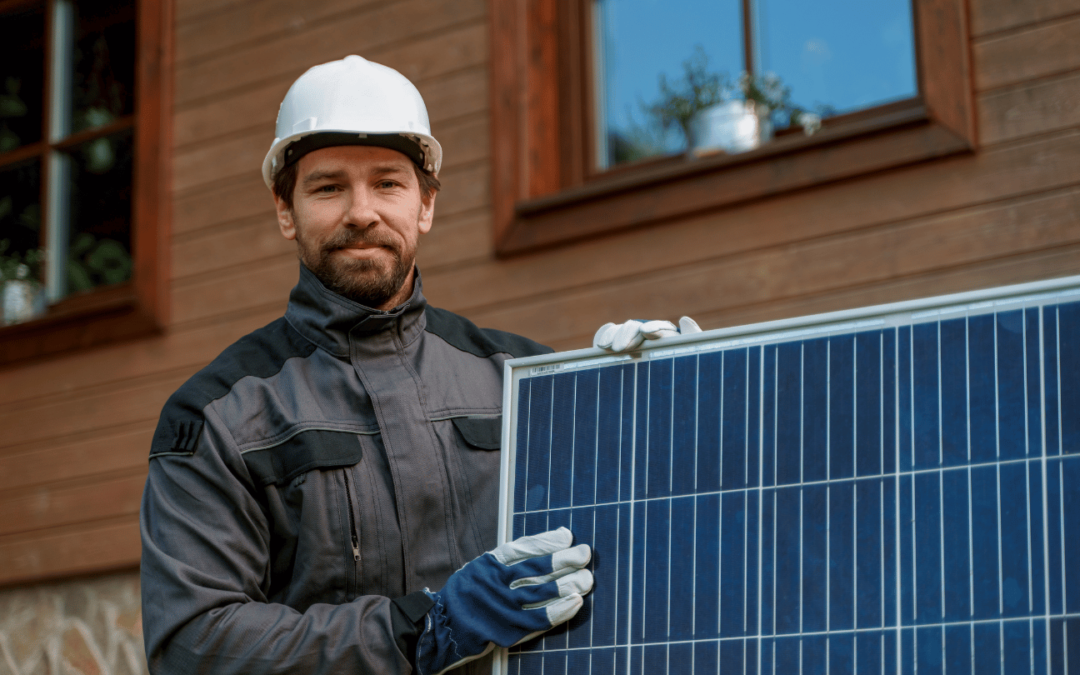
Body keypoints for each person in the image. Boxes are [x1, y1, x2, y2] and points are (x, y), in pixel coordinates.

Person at [140, 55, 694, 674]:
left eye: (388, 183)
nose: (361, 212)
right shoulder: (219, 415)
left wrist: (666, 391)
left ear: (424, 206)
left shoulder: (526, 380)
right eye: (328, 187)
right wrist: (422, 629)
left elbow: (653, 535)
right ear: (286, 211)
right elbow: (193, 645)